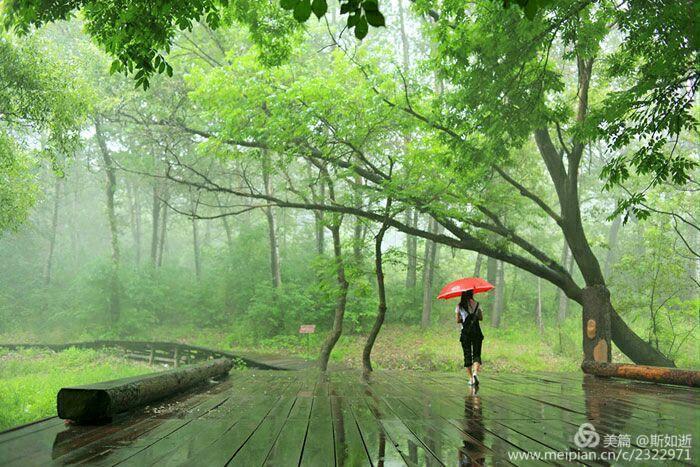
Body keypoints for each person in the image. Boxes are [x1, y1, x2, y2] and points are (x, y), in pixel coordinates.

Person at [456, 290, 483, 385]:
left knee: (467, 354)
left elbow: (458, 320)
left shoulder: (459, 306)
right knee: (476, 354)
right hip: (476, 332)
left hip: (466, 334)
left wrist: (463, 317)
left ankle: (471, 378)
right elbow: (481, 318)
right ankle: (475, 373)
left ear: (462, 294)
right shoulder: (477, 304)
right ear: (472, 294)